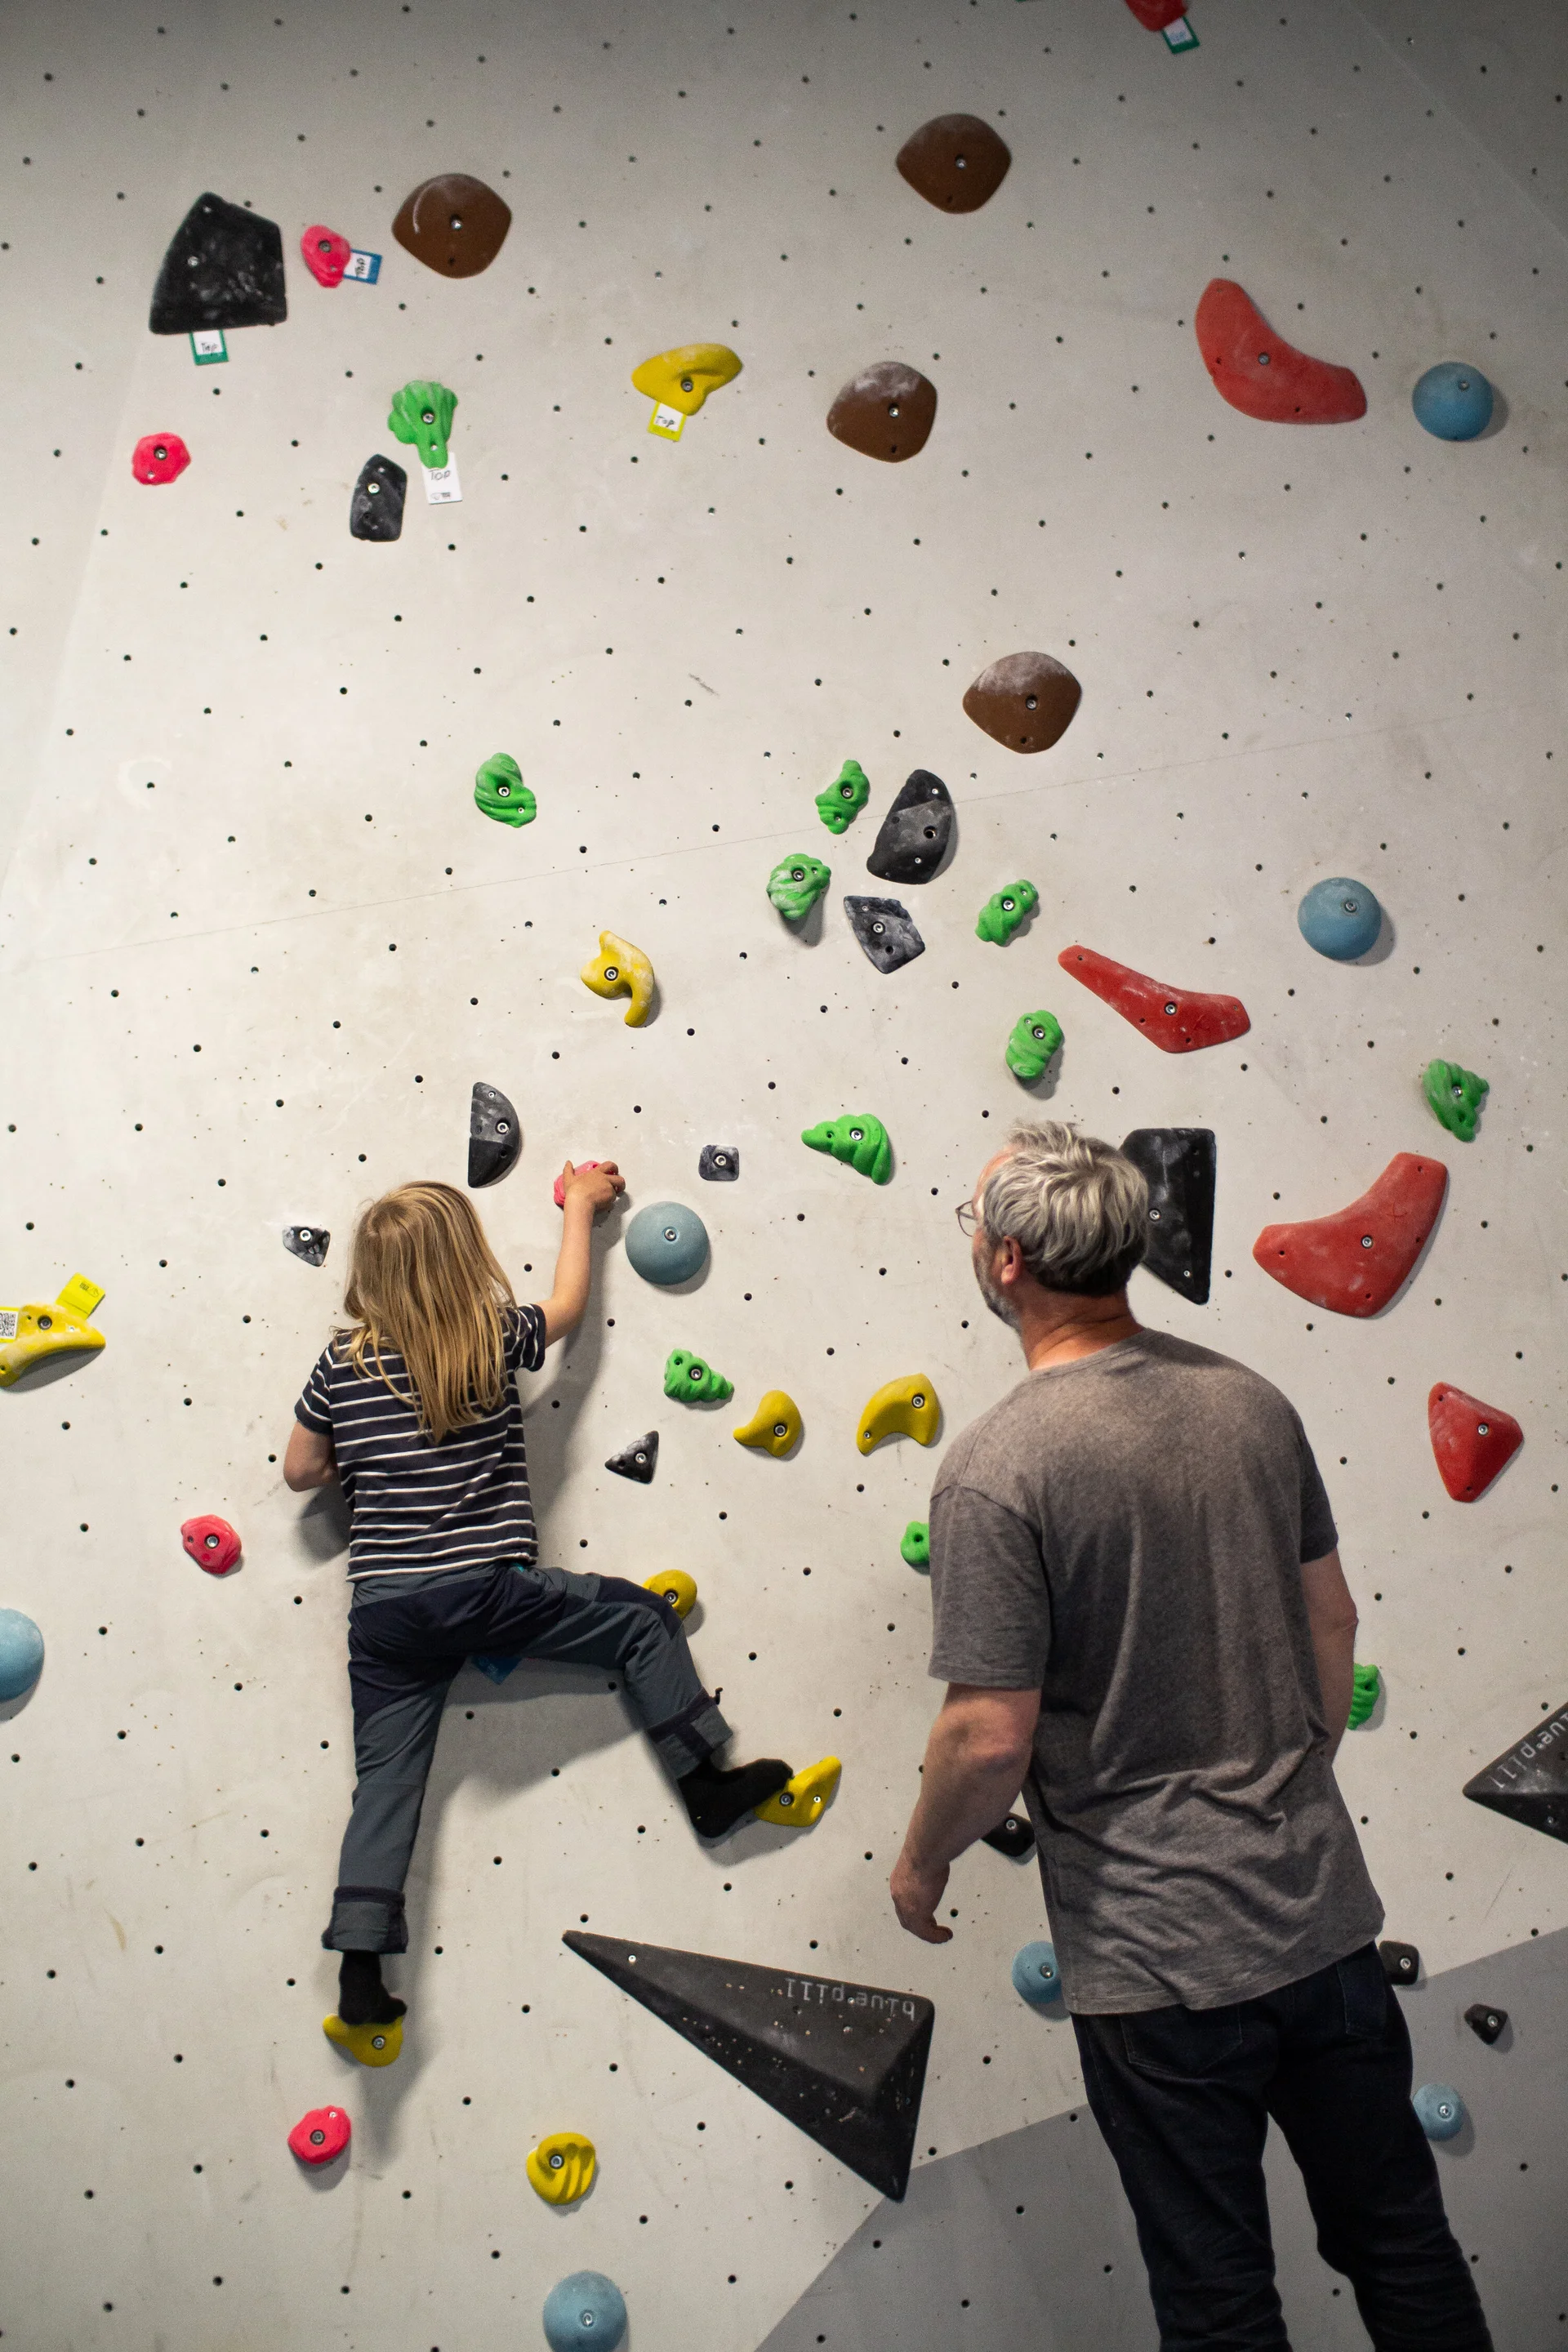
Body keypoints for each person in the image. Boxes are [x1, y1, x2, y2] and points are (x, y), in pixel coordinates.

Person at [889, 1121, 1491, 2352]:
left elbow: (988, 1738)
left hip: (1159, 1959)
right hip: (1320, 1920)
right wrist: (1291, 1779)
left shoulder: (998, 1469)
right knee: (1401, 2246)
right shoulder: (1247, 1403)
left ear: (1007, 1261)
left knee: (1219, 2300)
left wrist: (921, 1862)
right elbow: (1334, 1618)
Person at [284, 1168, 793, 2031]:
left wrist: (364, 1466)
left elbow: (300, 1469)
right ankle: (704, 1784)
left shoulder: (342, 1362)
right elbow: (564, 1306)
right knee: (640, 1619)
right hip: (482, 1590)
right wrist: (585, 1209)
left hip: (385, 1615)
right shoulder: (484, 1335)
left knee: (388, 1783)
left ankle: (361, 1967)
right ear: (463, 1259)